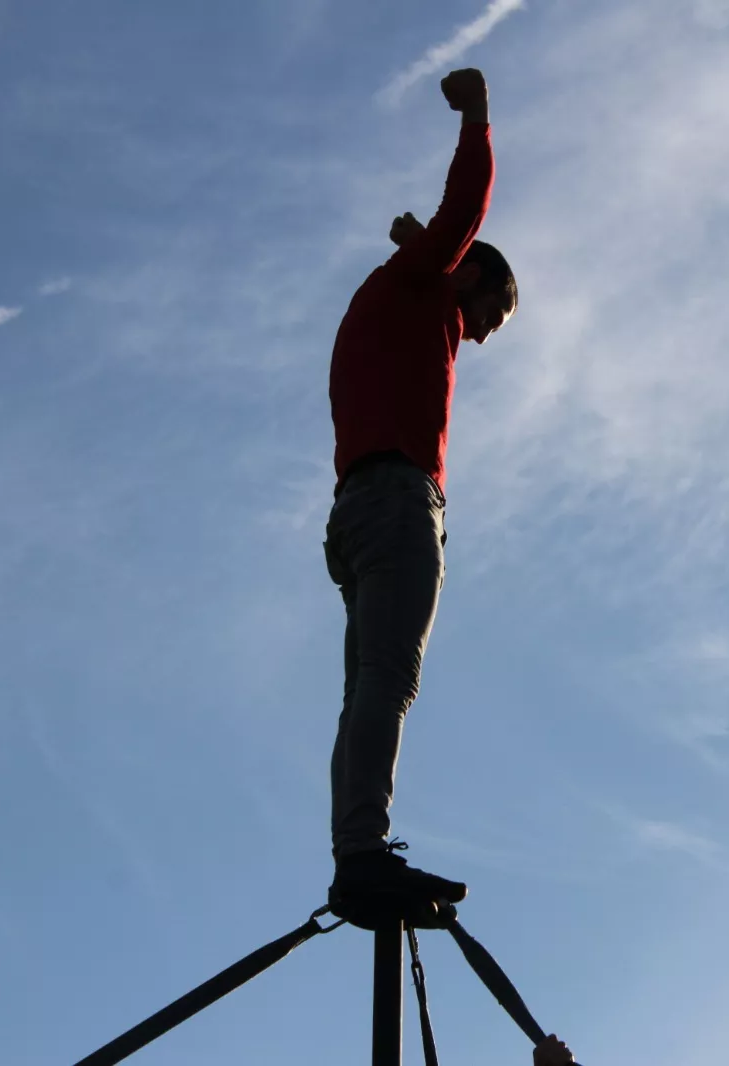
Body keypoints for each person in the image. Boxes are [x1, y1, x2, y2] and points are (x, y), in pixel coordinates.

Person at [323, 67, 518, 913]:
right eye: (490, 319)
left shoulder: (386, 294)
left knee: (366, 682)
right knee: (389, 680)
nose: (476, 339)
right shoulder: (421, 285)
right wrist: (477, 114)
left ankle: (355, 846)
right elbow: (466, 205)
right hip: (399, 503)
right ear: (468, 278)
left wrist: (414, 245)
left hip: (352, 513)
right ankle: (363, 851)